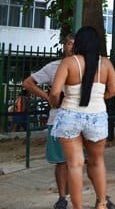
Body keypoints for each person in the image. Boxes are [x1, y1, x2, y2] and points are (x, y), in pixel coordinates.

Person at [48, 26, 115, 209]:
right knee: (97, 161)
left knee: (74, 164)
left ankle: (77, 207)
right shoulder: (105, 64)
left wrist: (55, 102)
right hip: (97, 116)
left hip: (69, 114)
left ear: (78, 43)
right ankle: (102, 204)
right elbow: (113, 91)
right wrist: (96, 99)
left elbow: (55, 92)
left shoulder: (69, 63)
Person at [22, 34, 79, 209]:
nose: (71, 47)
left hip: (80, 119)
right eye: (69, 44)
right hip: (59, 119)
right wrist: (47, 97)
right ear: (64, 46)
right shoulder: (54, 67)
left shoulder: (85, 66)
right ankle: (62, 197)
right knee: (61, 162)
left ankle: (95, 196)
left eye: (75, 44)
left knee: (82, 160)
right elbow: (28, 83)